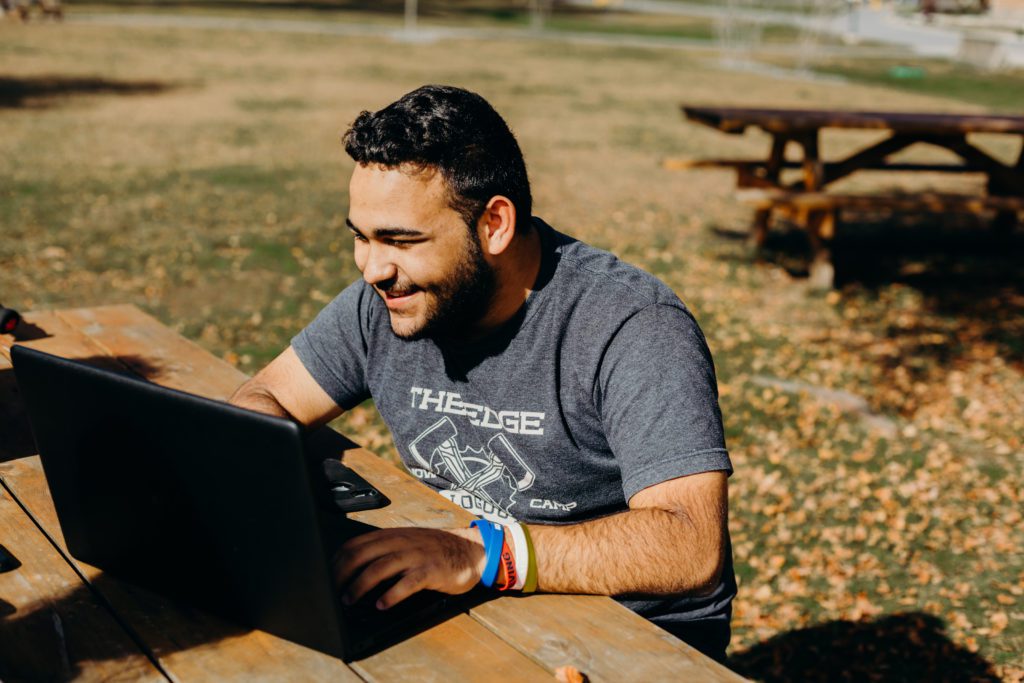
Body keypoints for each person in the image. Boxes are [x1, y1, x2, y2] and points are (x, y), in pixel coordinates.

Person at [229, 84, 736, 661]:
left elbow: (690, 547)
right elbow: (267, 394)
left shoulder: (631, 325)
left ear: (494, 224)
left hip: (635, 638)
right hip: (475, 608)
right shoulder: (389, 300)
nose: (372, 268)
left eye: (401, 240)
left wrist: (482, 555)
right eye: (360, 237)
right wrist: (268, 477)